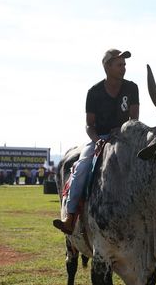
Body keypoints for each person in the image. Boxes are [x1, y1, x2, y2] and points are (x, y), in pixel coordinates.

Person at [53, 48, 140, 234]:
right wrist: (97, 140)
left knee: (146, 164)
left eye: (124, 64)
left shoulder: (132, 88)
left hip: (125, 138)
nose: (123, 68)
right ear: (107, 66)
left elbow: (134, 119)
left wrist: (123, 130)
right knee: (81, 168)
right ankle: (69, 217)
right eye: (119, 64)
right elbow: (89, 125)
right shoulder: (94, 92)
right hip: (99, 138)